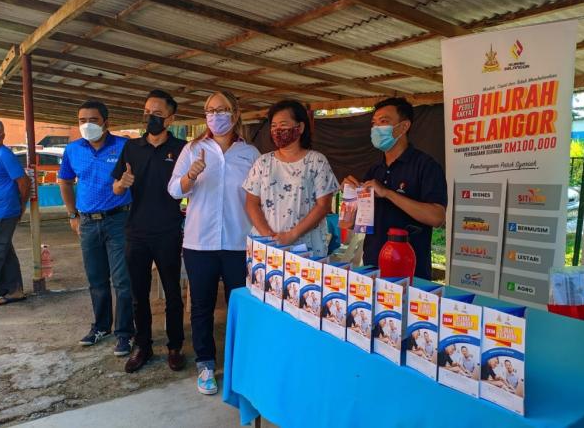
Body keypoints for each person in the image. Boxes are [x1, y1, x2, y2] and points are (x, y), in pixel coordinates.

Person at [168, 90, 259, 395]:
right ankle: (205, 364)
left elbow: (259, 197)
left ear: (235, 114)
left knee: (240, 306)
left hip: (239, 242)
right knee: (202, 306)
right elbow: (173, 190)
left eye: (222, 110)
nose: (215, 115)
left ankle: (240, 364)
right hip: (199, 243)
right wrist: (190, 176)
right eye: (210, 110)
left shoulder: (250, 153)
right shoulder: (193, 149)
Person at [112, 90, 186, 373]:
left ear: (170, 118)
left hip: (168, 231)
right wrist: (122, 184)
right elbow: (115, 188)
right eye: (147, 112)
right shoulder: (131, 147)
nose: (150, 118)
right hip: (137, 232)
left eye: (157, 114)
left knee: (172, 293)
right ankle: (142, 345)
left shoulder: (182, 149)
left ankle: (175, 346)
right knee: (138, 294)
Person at [58, 100, 134, 356]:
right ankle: (101, 326)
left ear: (106, 122)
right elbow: (65, 182)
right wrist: (72, 215)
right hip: (88, 222)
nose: (87, 125)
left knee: (123, 280)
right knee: (96, 279)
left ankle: (125, 333)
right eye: (82, 120)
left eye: (93, 120)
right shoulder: (73, 149)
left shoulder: (124, 146)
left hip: (119, 220)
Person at [342, 98, 447, 278]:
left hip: (409, 270)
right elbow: (348, 224)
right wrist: (349, 198)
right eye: (374, 124)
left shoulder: (425, 166)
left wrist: (387, 193)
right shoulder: (374, 170)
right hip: (373, 267)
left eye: (383, 122)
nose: (376, 128)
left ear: (404, 126)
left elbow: (437, 217)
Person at [244, 100, 338, 257]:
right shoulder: (263, 162)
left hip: (306, 247)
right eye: (273, 126)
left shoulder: (317, 161)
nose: (277, 130)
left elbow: (323, 206)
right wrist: (269, 236)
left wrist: (292, 235)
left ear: (300, 127)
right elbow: (251, 203)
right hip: (266, 246)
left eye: (283, 125)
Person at [0, 118, 30, 306]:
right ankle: (13, 290)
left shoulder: (4, 154)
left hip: (2, 211)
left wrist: (21, 206)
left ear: (2, 136)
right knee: (3, 250)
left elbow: (24, 182)